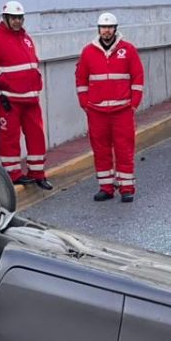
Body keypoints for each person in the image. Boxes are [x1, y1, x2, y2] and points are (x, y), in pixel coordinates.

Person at [0, 1, 54, 190]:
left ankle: (37, 173)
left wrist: (36, 83)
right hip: (9, 99)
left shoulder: (26, 38)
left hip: (30, 98)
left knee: (36, 135)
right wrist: (8, 85)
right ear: (5, 18)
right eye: (13, 18)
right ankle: (13, 174)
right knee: (9, 137)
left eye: (20, 18)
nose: (17, 21)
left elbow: (32, 64)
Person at [75, 12, 144, 203]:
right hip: (97, 112)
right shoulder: (88, 52)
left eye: (110, 27)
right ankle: (106, 187)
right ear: (98, 29)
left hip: (122, 111)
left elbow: (137, 76)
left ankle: (126, 187)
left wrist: (133, 104)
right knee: (100, 150)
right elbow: (81, 79)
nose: (106, 31)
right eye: (103, 27)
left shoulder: (128, 50)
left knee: (124, 149)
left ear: (115, 28)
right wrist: (85, 103)